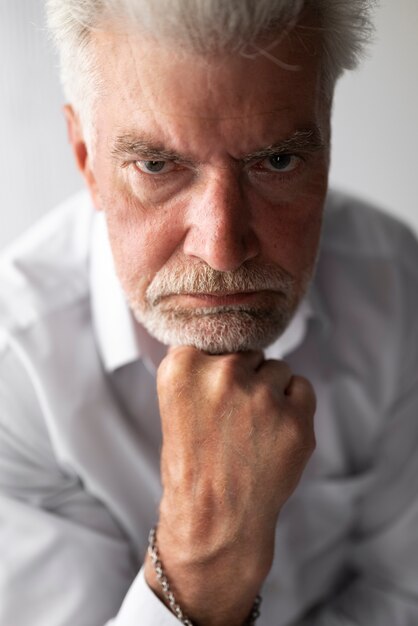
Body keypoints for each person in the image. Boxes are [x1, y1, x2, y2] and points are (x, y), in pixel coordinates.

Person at [1, 1, 417, 624]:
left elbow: (401, 595)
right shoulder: (17, 371)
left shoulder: (396, 287)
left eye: (277, 161)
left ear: (327, 143)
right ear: (86, 158)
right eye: (157, 166)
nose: (222, 250)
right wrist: (198, 566)